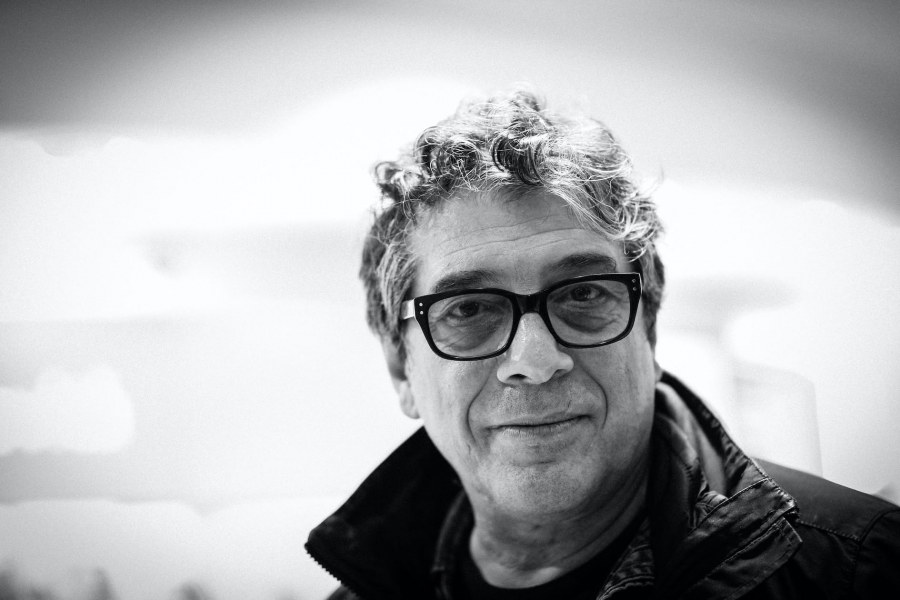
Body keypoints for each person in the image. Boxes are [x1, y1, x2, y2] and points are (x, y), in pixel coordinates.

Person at [306, 89, 900, 599]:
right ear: (401, 369)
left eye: (584, 295)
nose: (536, 361)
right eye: (469, 309)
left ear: (649, 327)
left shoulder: (862, 571)